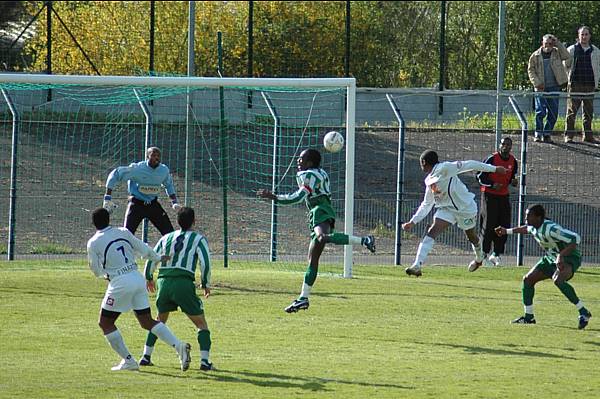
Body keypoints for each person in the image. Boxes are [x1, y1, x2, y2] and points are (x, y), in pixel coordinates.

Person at [256, 149, 376, 313]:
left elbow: (298, 197)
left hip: (320, 208)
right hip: (319, 209)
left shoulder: (309, 175)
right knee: (313, 259)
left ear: (310, 163)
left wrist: (275, 197)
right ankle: (303, 298)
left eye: (301, 159)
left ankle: (364, 240)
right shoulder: (319, 172)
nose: (298, 161)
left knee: (321, 238)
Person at [86, 207, 191, 371]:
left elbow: (95, 269)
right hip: (136, 277)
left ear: (93, 223)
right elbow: (142, 247)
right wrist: (157, 257)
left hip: (120, 282)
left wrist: (105, 274)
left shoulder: (93, 242)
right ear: (109, 220)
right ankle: (179, 346)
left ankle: (128, 360)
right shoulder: (123, 231)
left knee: (105, 323)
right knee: (146, 321)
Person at [402, 150, 507, 277]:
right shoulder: (429, 180)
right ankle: (417, 265)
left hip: (466, 208)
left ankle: (480, 258)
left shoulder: (446, 168)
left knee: (472, 237)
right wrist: (413, 221)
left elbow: (470, 164)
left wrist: (494, 169)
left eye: (421, 163)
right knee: (431, 232)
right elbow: (427, 204)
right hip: (447, 210)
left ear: (424, 162)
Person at [140, 207, 215, 371]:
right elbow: (205, 262)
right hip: (183, 282)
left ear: (177, 221)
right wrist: (205, 283)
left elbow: (153, 256)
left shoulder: (166, 237)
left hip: (163, 281)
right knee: (201, 324)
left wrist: (148, 276)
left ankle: (146, 356)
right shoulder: (198, 239)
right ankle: (205, 361)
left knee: (159, 321)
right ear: (194, 221)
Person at [495, 204, 592, 329]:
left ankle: (583, 312)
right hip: (551, 258)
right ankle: (529, 317)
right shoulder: (534, 227)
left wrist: (560, 256)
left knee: (558, 280)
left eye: (529, 216)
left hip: (570, 258)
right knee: (528, 280)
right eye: (526, 216)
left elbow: (575, 238)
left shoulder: (550, 228)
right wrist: (506, 231)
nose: (526, 219)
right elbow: (526, 229)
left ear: (539, 217)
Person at [103, 146, 182, 235]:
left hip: (153, 204)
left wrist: (174, 202)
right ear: (147, 157)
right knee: (127, 234)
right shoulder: (137, 169)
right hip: (136, 205)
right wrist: (107, 197)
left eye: (158, 156)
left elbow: (169, 185)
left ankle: (169, 248)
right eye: (153, 155)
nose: (156, 158)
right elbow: (115, 174)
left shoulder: (163, 170)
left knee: (169, 233)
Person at [476, 137, 518, 266]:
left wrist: (513, 182)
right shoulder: (492, 159)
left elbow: (511, 177)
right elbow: (479, 177)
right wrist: (492, 184)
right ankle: (484, 253)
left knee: (504, 224)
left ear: (511, 147)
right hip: (489, 195)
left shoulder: (513, 161)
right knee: (488, 224)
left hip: (504, 196)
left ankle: (497, 254)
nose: (505, 146)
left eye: (508, 144)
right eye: (503, 144)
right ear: (499, 145)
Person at [527, 33, 570, 143]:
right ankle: (538, 133)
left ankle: (547, 133)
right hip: (540, 87)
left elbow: (567, 56)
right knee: (540, 111)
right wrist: (537, 83)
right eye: (546, 43)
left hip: (554, 87)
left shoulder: (557, 53)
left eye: (551, 43)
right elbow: (530, 70)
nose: (548, 46)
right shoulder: (535, 55)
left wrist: (558, 43)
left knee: (553, 112)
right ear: (542, 43)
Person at [564, 26, 600, 143]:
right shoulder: (571, 50)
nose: (584, 37)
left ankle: (588, 135)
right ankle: (569, 135)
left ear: (590, 36)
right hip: (575, 84)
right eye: (582, 34)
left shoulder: (595, 51)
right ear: (578, 36)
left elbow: (597, 68)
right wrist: (568, 80)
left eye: (586, 34)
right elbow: (566, 65)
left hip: (589, 84)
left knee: (588, 112)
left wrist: (596, 82)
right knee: (571, 111)